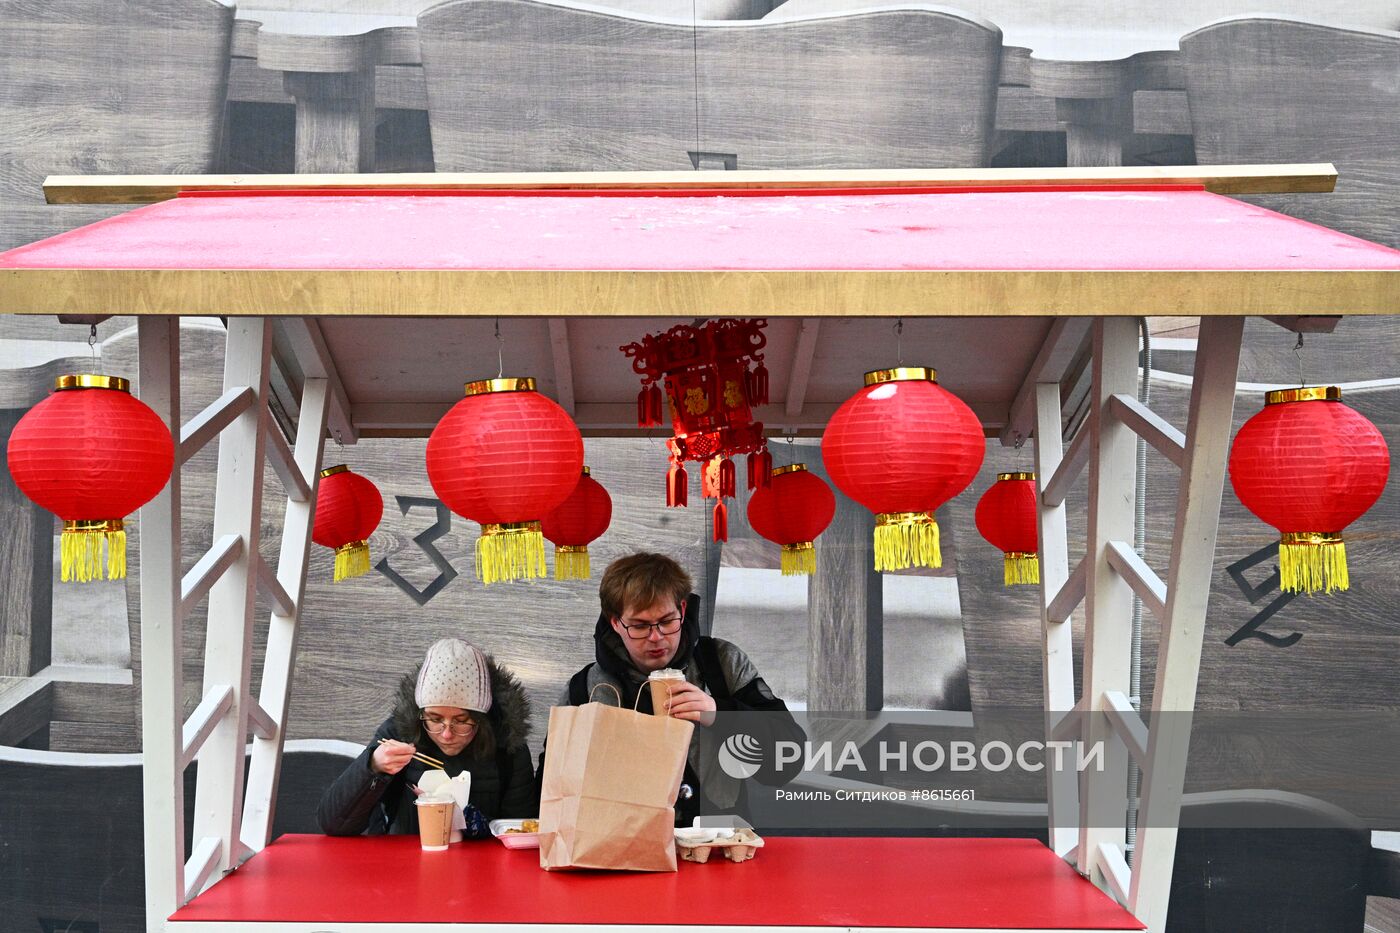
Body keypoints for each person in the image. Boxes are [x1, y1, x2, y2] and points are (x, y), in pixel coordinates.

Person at [546, 552, 802, 825]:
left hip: (716, 844)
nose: (656, 638)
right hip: (620, 849)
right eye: (640, 626)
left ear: (682, 609)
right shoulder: (587, 690)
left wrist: (720, 714)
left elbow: (786, 763)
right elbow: (552, 789)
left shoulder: (719, 663)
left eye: (667, 621)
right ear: (615, 623)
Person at [318, 637, 535, 836]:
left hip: (483, 871)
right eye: (434, 718)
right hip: (404, 865)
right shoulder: (400, 733)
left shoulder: (509, 747)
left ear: (482, 718)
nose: (447, 734)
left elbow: (518, 833)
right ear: (421, 713)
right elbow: (334, 825)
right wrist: (373, 767)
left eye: (461, 720)